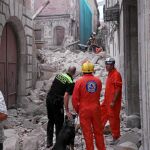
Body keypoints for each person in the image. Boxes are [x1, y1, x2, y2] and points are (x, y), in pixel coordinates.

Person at [72, 61, 106, 150]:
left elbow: (75, 99)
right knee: (98, 131)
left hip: (84, 110)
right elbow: (98, 94)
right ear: (92, 70)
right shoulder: (98, 81)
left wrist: (77, 110)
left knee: (87, 133)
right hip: (96, 108)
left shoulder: (79, 82)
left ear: (83, 71)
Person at [46, 66, 76, 148]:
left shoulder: (59, 75)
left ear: (67, 70)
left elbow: (54, 87)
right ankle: (58, 144)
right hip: (57, 101)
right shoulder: (71, 82)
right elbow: (66, 95)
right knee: (59, 123)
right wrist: (67, 110)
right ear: (74, 73)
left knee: (51, 120)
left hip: (49, 98)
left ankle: (49, 142)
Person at [101, 57, 122, 144]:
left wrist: (113, 101)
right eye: (106, 64)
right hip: (106, 102)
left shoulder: (116, 74)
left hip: (113, 103)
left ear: (112, 65)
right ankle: (99, 132)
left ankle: (116, 137)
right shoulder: (110, 73)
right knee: (101, 115)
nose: (106, 66)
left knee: (113, 120)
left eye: (108, 64)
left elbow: (118, 89)